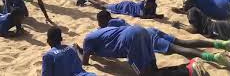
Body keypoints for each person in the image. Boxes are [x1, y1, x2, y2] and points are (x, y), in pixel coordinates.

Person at [96, 10, 230, 67]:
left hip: (146, 39)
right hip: (151, 30)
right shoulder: (118, 20)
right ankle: (222, 44)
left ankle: (213, 57)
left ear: (102, 21)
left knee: (179, 50)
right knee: (183, 42)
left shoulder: (105, 29)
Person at [74, 24, 208, 75]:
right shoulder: (100, 33)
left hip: (131, 41)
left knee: (146, 75)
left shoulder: (88, 40)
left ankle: (188, 70)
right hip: (141, 31)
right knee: (152, 69)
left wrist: (78, 52)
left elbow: (85, 62)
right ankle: (188, 66)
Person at [77, 0, 164, 19]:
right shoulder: (143, 5)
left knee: (106, 4)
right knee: (104, 6)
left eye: (147, 3)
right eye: (145, 2)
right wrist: (154, 16)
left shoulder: (153, 5)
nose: (145, 3)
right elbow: (143, 16)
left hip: (127, 5)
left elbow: (151, 14)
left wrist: (155, 15)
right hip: (124, 6)